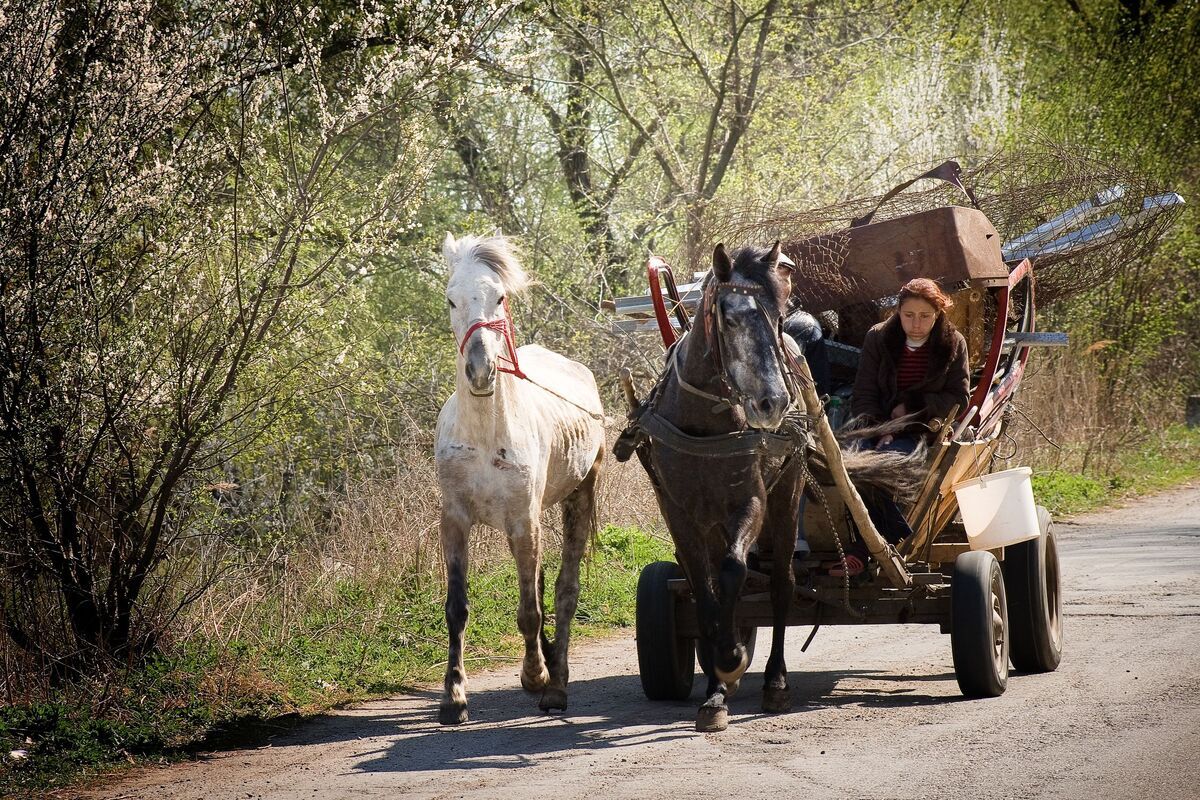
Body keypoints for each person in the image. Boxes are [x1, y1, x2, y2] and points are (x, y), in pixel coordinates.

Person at [832, 278, 970, 577]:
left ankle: (860, 550)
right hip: (874, 426)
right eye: (909, 315)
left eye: (925, 316)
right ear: (897, 312)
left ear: (938, 314)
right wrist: (880, 428)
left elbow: (959, 397)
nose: (916, 324)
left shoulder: (952, 342)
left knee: (883, 468)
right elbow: (864, 393)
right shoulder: (878, 337)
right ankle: (893, 533)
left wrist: (910, 409)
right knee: (853, 466)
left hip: (921, 430)